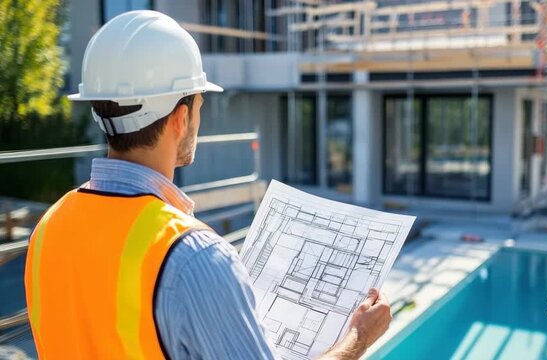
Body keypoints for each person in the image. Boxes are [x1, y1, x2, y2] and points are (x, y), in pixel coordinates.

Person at [23, 10, 391, 360]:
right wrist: (357, 338)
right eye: (200, 104)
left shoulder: (49, 228)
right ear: (181, 118)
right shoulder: (194, 257)